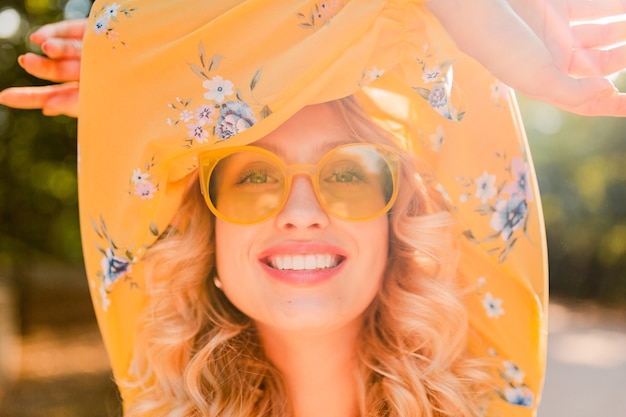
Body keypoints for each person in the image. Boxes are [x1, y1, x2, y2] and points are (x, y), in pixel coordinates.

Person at [1, 0, 625, 416]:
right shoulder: (160, 394)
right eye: (251, 178)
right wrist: (142, 84)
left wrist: (156, 76)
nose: (301, 212)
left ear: (397, 228)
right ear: (207, 238)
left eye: (350, 173)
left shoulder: (489, 394)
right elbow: (130, 38)